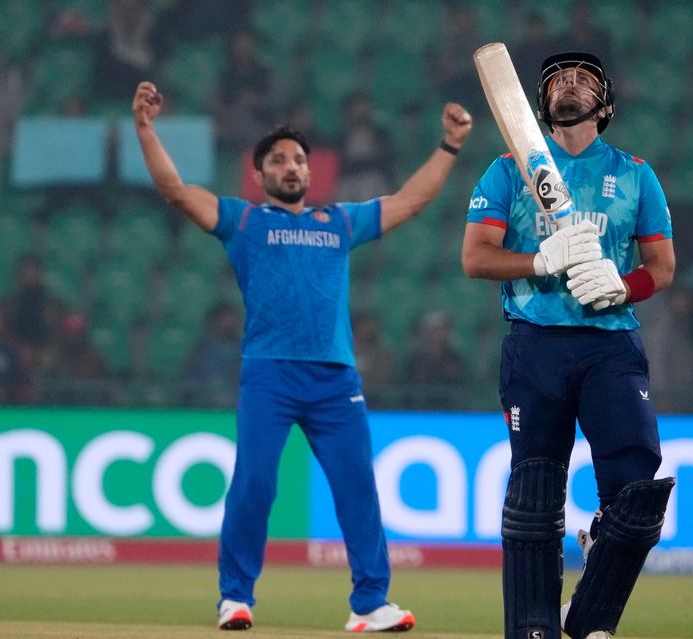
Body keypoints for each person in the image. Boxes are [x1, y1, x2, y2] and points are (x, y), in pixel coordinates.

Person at [132, 81, 471, 632]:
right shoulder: (243, 222)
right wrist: (146, 129)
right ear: (259, 174)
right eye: (278, 160)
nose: (290, 167)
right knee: (255, 484)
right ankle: (235, 598)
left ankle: (369, 605)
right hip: (269, 373)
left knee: (357, 486)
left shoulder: (337, 222)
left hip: (335, 378)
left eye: (298, 160)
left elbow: (411, 201)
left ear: (311, 174)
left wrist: (450, 145)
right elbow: (174, 188)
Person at [462, 52, 676, 639]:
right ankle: (531, 627)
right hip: (536, 344)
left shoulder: (635, 173)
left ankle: (587, 622)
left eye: (584, 78)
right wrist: (538, 259)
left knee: (636, 489)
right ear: (542, 103)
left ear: (604, 105)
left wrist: (620, 286)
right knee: (535, 487)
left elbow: (662, 267)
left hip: (611, 345)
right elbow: (475, 257)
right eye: (558, 78)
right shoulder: (508, 169)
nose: (570, 84)